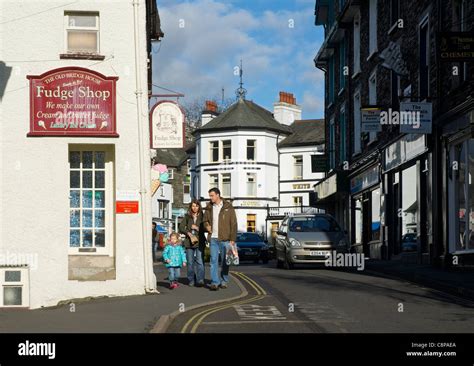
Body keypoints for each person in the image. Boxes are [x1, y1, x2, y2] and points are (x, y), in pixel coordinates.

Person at [203, 188, 237, 291]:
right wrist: (207, 226)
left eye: (212, 195)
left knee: (225, 261)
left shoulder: (228, 207)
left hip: (225, 239)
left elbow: (234, 223)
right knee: (213, 261)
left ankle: (224, 280)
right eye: (210, 196)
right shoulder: (209, 207)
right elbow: (205, 220)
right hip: (213, 238)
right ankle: (215, 282)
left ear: (218, 195)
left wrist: (232, 238)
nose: (210, 197)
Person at [178, 199, 206, 287]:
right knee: (190, 262)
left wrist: (197, 228)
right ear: (191, 207)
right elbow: (181, 227)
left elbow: (206, 228)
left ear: (199, 207)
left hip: (200, 241)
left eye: (196, 206)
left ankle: (200, 279)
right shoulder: (187, 216)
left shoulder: (202, 216)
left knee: (200, 261)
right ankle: (191, 279)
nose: (195, 208)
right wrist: (188, 232)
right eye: (193, 206)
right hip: (189, 242)